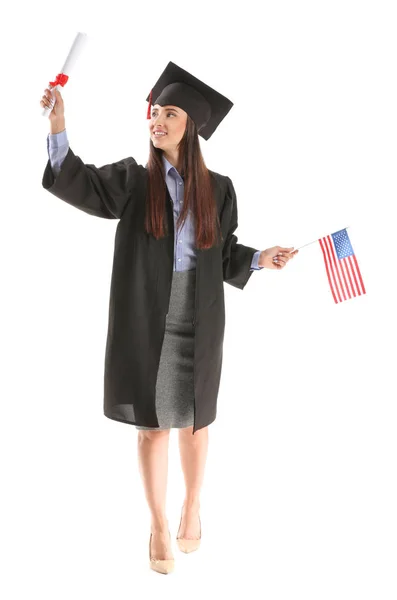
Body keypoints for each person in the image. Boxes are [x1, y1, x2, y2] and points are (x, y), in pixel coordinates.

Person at [40, 61, 298, 575]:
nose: (156, 119)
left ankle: (193, 504)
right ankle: (158, 522)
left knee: (196, 422)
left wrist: (259, 258)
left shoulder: (220, 189)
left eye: (170, 112)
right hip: (147, 317)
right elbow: (76, 180)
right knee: (154, 426)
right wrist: (57, 123)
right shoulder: (134, 181)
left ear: (192, 126)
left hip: (200, 318)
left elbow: (222, 254)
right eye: (154, 111)